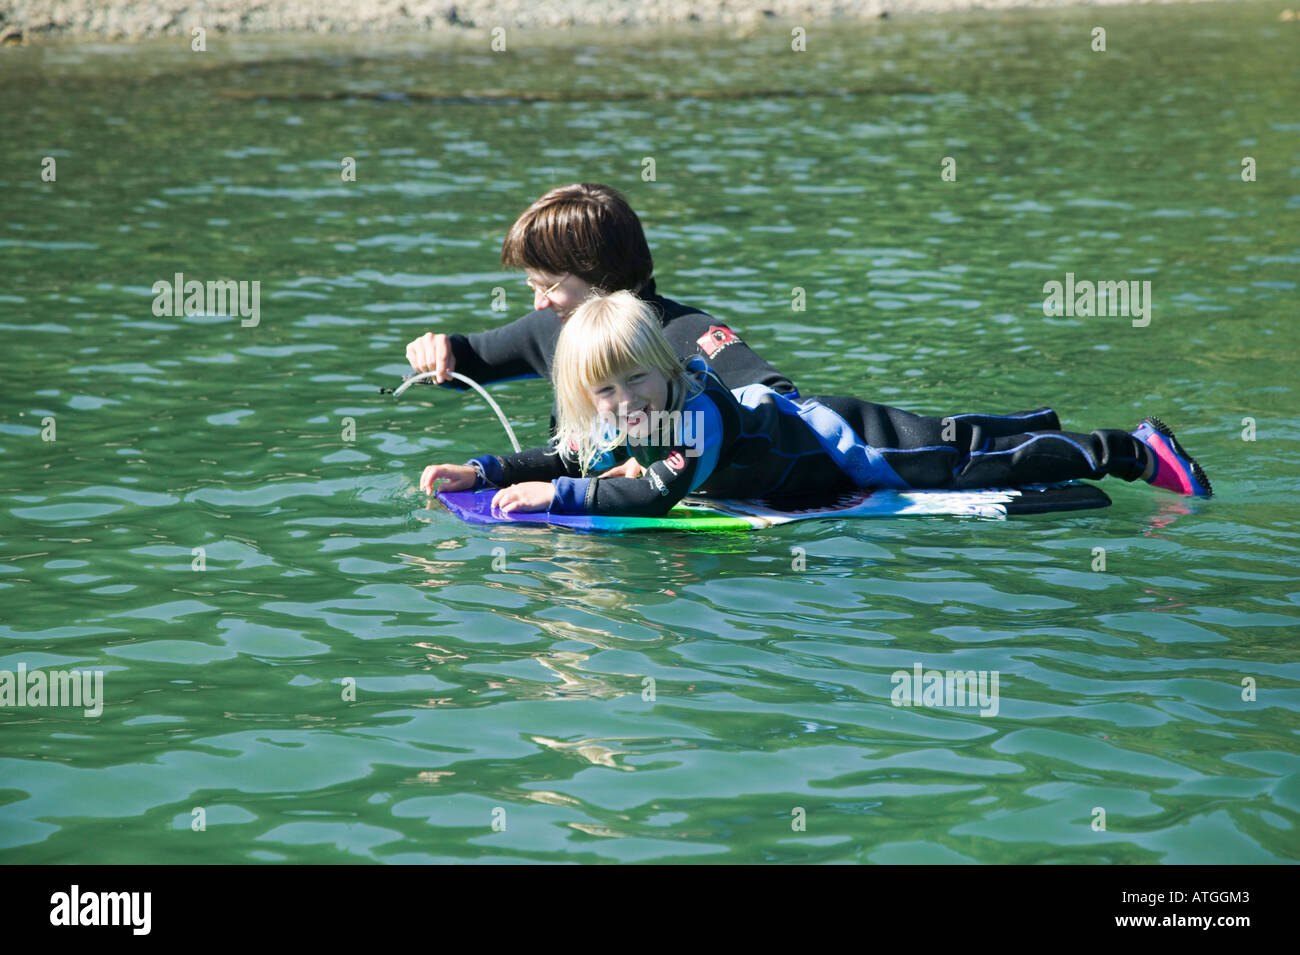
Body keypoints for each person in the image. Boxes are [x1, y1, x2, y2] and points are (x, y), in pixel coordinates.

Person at [418, 292, 1213, 517]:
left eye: (635, 381)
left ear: (666, 367)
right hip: (805, 465)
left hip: (844, 445)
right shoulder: (620, 414)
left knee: (970, 461)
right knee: (974, 437)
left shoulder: (692, 415)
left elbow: (655, 493)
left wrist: (557, 495)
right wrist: (483, 469)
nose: (622, 402)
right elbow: (571, 455)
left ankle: (1132, 450)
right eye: (605, 390)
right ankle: (1057, 430)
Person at [404, 182, 797, 406]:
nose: (539, 302)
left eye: (550, 286)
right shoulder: (549, 329)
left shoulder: (689, 333)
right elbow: (470, 362)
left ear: (601, 276)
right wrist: (439, 351)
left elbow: (781, 398)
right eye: (533, 285)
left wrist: (676, 446)